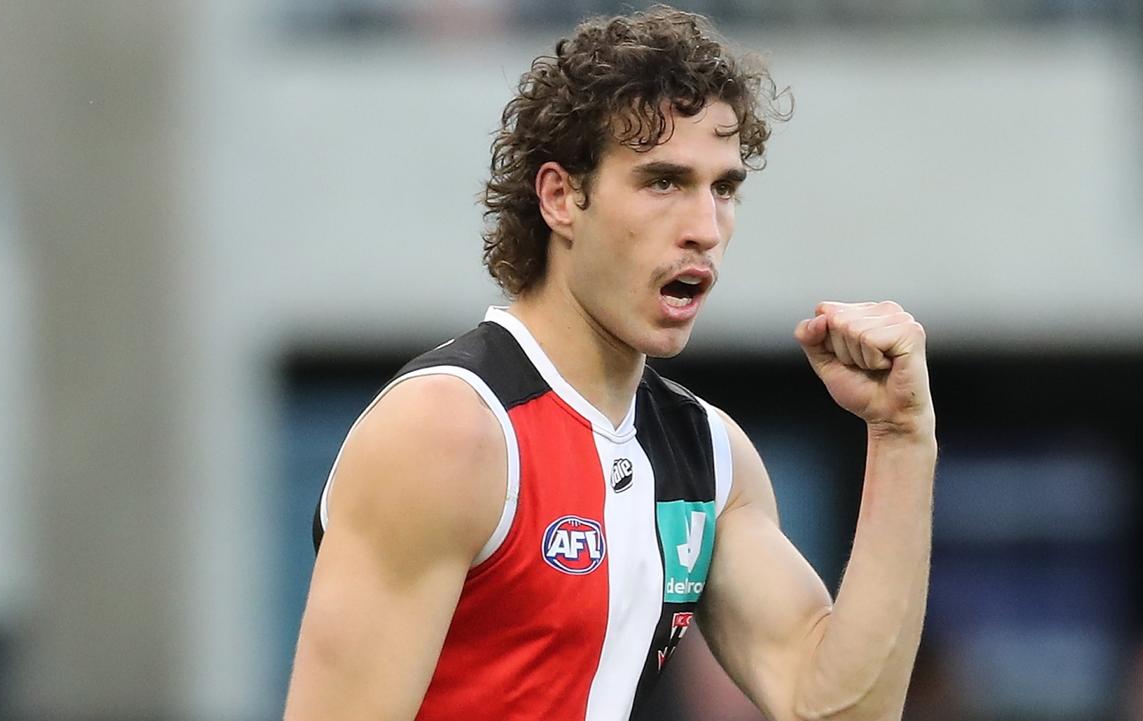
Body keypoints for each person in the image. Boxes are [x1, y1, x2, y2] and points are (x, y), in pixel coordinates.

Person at [283, 6, 936, 721]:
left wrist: (902, 438)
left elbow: (839, 710)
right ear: (562, 197)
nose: (704, 229)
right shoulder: (449, 431)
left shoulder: (710, 457)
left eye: (723, 188)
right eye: (663, 181)